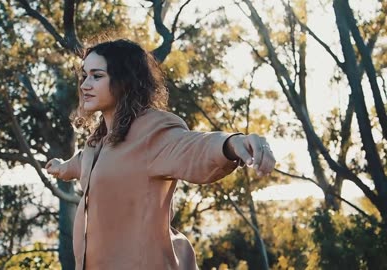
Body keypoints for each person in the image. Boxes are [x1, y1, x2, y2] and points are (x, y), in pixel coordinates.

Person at [45, 39, 276, 270]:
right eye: (84, 75)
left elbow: (192, 147)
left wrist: (231, 143)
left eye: (97, 76)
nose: (85, 84)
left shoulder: (153, 130)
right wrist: (62, 168)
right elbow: (87, 163)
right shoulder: (98, 141)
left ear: (125, 81)